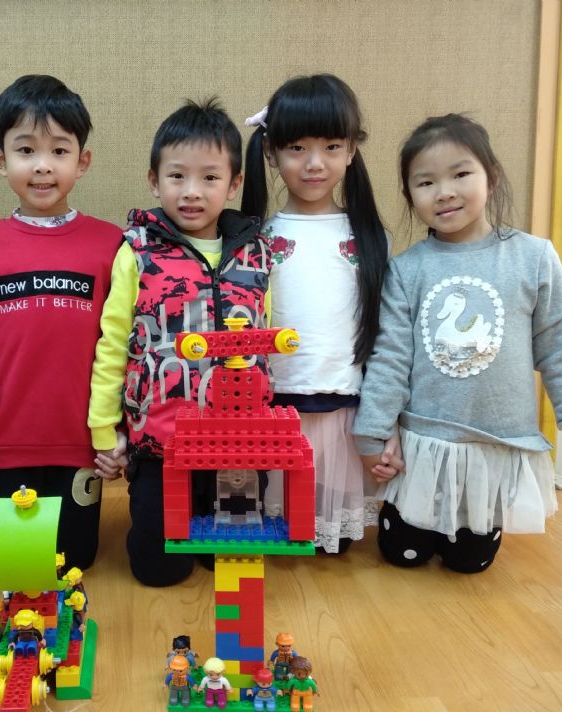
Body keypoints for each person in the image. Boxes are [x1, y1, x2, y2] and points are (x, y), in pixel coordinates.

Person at [353, 113, 562, 573]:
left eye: (460, 174)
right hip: (424, 446)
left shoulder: (533, 258)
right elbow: (389, 360)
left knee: (470, 562)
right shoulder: (407, 269)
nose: (444, 192)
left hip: (496, 446)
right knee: (401, 555)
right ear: (410, 196)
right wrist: (372, 432)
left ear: (493, 177)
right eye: (426, 182)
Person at [0, 75, 125, 571]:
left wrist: (120, 431)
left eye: (59, 150)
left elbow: (126, 345)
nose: (43, 165)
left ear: (82, 161)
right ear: (0, 160)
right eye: (25, 150)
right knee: (12, 569)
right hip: (2, 442)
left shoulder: (112, 244)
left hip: (80, 443)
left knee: (74, 563)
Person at [88, 99, 272, 586]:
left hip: (238, 440)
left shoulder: (256, 253)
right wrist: (105, 430)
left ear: (234, 183)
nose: (192, 191)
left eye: (209, 178)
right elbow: (113, 344)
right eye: (177, 176)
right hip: (160, 442)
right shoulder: (137, 250)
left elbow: (268, 335)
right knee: (158, 570)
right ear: (154, 180)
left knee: (228, 562)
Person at [242, 74, 396, 555]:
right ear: (270, 153)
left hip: (343, 405)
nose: (314, 163)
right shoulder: (256, 239)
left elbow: (386, 334)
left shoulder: (369, 237)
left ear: (351, 150)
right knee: (272, 531)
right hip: (273, 404)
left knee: (332, 543)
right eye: (297, 148)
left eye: (331, 147)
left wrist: (386, 420)